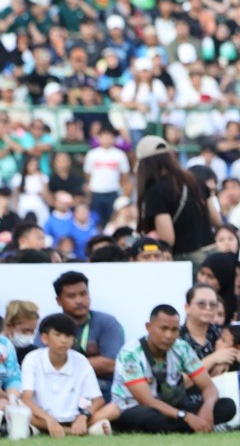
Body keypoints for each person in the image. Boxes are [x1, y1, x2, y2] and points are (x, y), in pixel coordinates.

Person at [98, 305, 237, 434]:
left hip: (172, 408)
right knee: (145, 417)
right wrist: (186, 416)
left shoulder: (181, 348)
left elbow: (209, 387)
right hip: (136, 409)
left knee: (227, 406)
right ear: (148, 327)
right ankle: (190, 425)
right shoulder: (130, 353)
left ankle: (183, 426)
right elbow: (147, 401)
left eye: (174, 330)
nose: (169, 335)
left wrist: (208, 407)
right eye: (163, 329)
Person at [19, 313, 111, 437]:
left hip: (72, 419)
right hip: (41, 418)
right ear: (45, 338)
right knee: (21, 412)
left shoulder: (81, 360)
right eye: (57, 335)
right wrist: (49, 420)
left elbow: (98, 400)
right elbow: (26, 399)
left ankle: (62, 429)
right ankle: (75, 431)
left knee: (112, 410)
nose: (63, 340)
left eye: (68, 336)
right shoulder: (32, 359)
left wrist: (83, 416)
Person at [134, 135, 218, 266]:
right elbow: (217, 220)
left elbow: (168, 239)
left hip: (188, 257)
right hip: (213, 252)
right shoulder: (195, 180)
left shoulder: (156, 191)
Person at [49, 271, 125, 402]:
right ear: (59, 301)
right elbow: (44, 362)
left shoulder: (107, 322)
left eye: (83, 294)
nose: (79, 301)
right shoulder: (51, 325)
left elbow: (113, 364)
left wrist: (65, 364)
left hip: (102, 388)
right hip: (61, 388)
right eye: (71, 296)